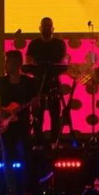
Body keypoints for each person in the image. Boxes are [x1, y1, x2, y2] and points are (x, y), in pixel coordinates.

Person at [0, 50, 37, 195]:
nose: (5, 65)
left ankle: (26, 189)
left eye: (7, 62)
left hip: (23, 124)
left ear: (17, 63)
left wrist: (35, 104)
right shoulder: (1, 82)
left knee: (26, 155)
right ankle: (11, 189)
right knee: (7, 156)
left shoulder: (28, 82)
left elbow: (35, 104)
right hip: (6, 125)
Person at [26, 17, 68, 146]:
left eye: (49, 26)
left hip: (54, 82)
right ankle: (38, 141)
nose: (46, 28)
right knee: (37, 114)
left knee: (55, 114)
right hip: (38, 83)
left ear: (53, 28)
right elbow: (28, 62)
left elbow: (63, 62)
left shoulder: (59, 44)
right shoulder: (34, 44)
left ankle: (55, 140)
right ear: (40, 28)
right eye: (44, 26)